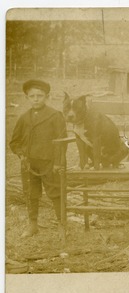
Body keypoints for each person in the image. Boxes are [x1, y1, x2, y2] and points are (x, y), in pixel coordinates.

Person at [10, 79, 67, 240]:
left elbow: (62, 142)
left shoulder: (55, 116)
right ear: (27, 97)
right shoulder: (23, 118)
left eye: (40, 96)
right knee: (30, 194)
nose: (36, 99)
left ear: (46, 97)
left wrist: (58, 163)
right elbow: (14, 142)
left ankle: (62, 225)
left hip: (50, 163)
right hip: (29, 164)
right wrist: (21, 154)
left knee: (56, 194)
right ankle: (32, 225)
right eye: (32, 96)